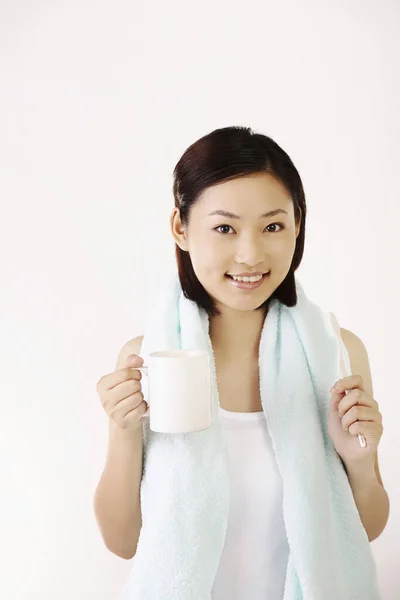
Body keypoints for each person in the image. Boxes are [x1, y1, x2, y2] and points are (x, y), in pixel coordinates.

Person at [94, 126, 389, 598]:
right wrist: (123, 430)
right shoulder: (146, 357)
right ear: (181, 228)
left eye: (273, 226)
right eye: (224, 228)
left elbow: (368, 529)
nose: (250, 254)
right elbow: (123, 541)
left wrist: (360, 458)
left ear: (298, 226)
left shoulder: (336, 352)